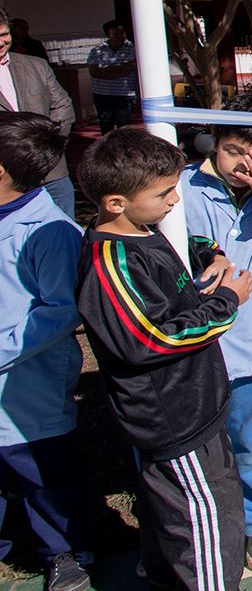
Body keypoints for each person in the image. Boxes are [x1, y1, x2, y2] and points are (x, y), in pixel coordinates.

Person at [75, 128, 252, 590]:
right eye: (164, 193)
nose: (175, 200)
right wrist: (227, 302)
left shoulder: (143, 230)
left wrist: (210, 253)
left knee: (178, 518)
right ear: (116, 203)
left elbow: (178, 244)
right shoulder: (111, 262)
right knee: (206, 523)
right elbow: (151, 338)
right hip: (175, 419)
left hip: (195, 406)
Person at [179, 95, 252, 570]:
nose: (244, 167)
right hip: (197, 343)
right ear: (214, 141)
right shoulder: (180, 188)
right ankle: (209, 520)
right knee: (203, 447)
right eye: (233, 152)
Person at [0, 113, 93, 591]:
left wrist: (4, 348)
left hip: (28, 382)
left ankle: (66, 550)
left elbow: (62, 310)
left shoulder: (51, 232)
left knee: (44, 471)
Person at [0, 8, 77, 217]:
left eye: (4, 35)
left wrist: (45, 146)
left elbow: (63, 106)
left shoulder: (36, 65)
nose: (1, 42)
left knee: (62, 228)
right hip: (6, 179)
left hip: (51, 173)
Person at [86, 19, 137, 135]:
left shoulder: (133, 49)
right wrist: (120, 71)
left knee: (123, 127)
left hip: (124, 95)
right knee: (105, 126)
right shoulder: (97, 50)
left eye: (122, 33)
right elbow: (94, 73)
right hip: (102, 94)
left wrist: (105, 69)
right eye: (115, 34)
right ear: (107, 35)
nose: (120, 36)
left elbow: (129, 68)